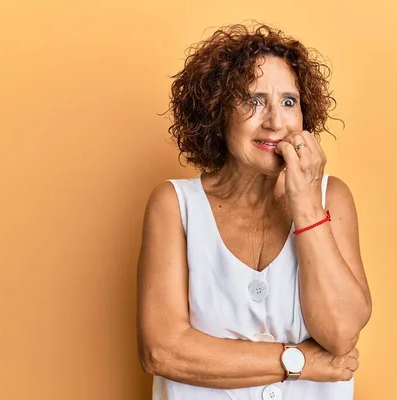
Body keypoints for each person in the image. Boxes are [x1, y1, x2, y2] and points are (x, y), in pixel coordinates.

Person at [137, 23, 372, 400]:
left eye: (288, 102)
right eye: (253, 100)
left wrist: (308, 205)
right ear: (217, 111)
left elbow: (341, 333)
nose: (275, 122)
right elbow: (163, 351)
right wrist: (301, 362)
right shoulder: (174, 205)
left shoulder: (331, 197)